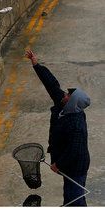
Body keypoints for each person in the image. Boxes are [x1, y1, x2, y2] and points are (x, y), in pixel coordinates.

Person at [26, 50, 90, 206]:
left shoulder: (76, 124)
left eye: (68, 95)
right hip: (69, 163)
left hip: (76, 166)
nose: (64, 95)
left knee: (74, 199)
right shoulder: (65, 104)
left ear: (73, 102)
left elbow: (74, 150)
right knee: (72, 195)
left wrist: (58, 164)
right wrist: (36, 64)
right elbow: (52, 85)